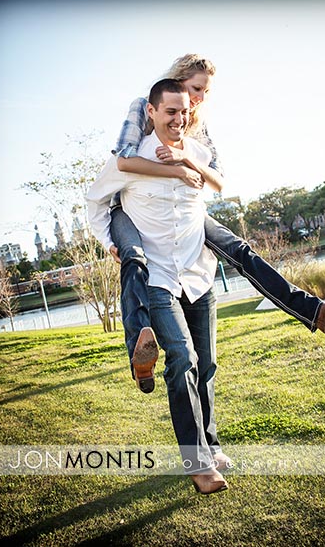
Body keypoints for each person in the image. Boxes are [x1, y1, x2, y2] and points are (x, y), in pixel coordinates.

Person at [90, 54, 325, 395]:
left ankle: (316, 313)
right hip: (127, 208)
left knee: (240, 251)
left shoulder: (197, 123)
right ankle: (139, 351)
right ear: (177, 82)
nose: (199, 99)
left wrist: (186, 159)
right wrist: (176, 171)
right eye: (195, 88)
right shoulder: (146, 106)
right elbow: (125, 160)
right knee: (134, 258)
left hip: (185, 213)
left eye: (205, 92)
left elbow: (217, 179)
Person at [88, 78, 229, 495]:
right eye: (170, 111)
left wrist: (190, 164)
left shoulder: (197, 153)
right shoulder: (130, 160)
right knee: (182, 358)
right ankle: (198, 463)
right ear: (151, 112)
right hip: (158, 278)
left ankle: (211, 445)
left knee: (206, 365)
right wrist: (112, 242)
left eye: (184, 111)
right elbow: (95, 201)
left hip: (197, 275)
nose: (179, 119)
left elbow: (216, 189)